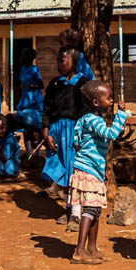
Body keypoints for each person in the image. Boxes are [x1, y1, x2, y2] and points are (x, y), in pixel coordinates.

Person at [68, 80, 131, 264]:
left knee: (96, 209)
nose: (111, 101)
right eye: (108, 98)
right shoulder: (93, 120)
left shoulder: (88, 120)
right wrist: (121, 115)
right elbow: (110, 135)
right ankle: (79, 250)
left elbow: (80, 143)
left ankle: (92, 248)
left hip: (92, 170)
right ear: (96, 102)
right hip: (88, 170)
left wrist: (100, 170)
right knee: (90, 209)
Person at [41, 46, 89, 220]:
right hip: (57, 132)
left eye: (63, 60)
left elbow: (87, 112)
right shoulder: (55, 84)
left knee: (74, 171)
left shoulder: (83, 84)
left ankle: (76, 213)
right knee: (62, 170)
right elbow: (46, 107)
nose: (59, 64)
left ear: (74, 62)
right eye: (58, 61)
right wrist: (46, 131)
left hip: (74, 132)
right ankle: (68, 209)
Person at [15, 47, 44, 157]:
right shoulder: (22, 69)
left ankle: (37, 152)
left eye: (25, 56)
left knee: (35, 127)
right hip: (25, 100)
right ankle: (28, 152)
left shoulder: (34, 69)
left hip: (34, 100)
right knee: (26, 127)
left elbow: (41, 85)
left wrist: (30, 86)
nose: (22, 58)